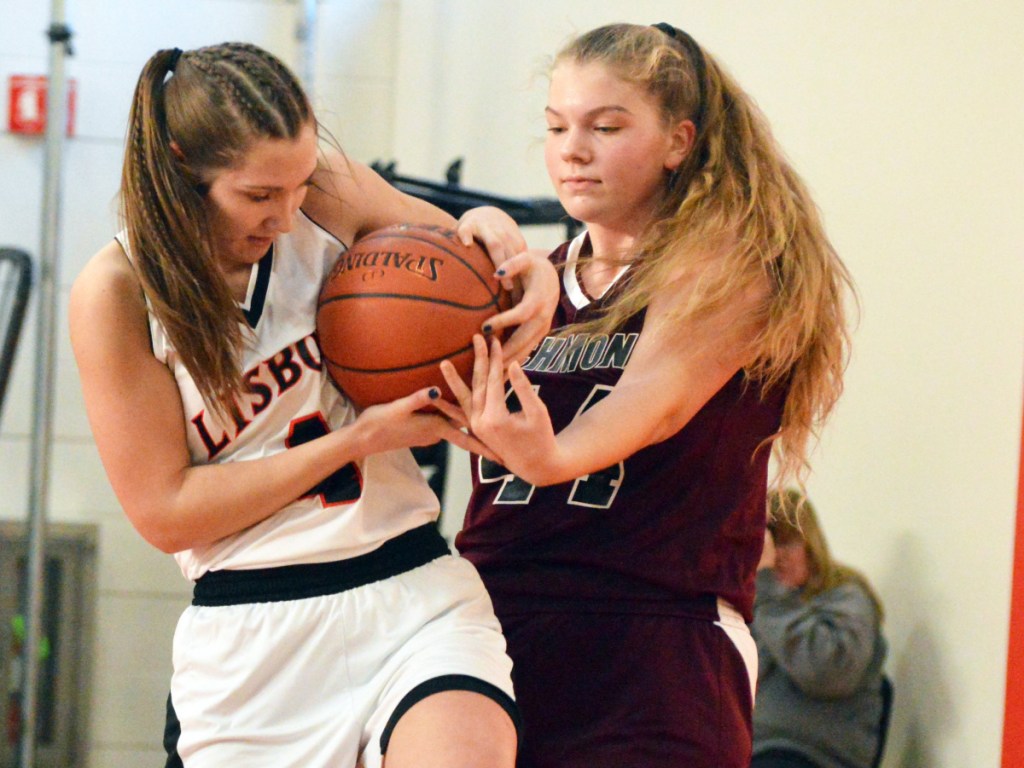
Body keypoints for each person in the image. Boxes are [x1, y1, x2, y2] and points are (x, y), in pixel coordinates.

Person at [68, 42, 559, 768]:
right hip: (250, 639)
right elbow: (164, 510)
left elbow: (474, 263)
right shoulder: (117, 292)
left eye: (299, 184)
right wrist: (356, 441)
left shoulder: (324, 194)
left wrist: (529, 278)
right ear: (179, 166)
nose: (288, 211)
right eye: (260, 196)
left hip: (409, 591)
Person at [436, 22, 855, 768]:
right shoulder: (531, 281)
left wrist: (554, 455)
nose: (573, 149)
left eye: (606, 126)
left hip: (653, 635)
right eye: (557, 126)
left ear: (678, 141)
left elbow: (654, 401)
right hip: (492, 620)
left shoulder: (732, 267)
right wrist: (456, 241)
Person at [752, 490, 889, 768]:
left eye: (786, 543)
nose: (775, 557)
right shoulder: (758, 605)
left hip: (813, 755)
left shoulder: (846, 597)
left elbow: (827, 671)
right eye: (767, 546)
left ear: (810, 543)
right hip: (753, 753)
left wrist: (768, 590)